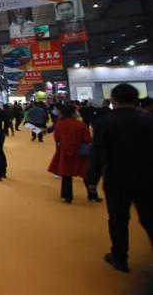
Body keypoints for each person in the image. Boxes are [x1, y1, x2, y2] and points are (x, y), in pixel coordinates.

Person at [87, 84, 153, 273]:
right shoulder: (148, 120)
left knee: (118, 220)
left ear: (113, 100)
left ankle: (119, 258)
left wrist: (92, 179)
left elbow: (98, 154)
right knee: (150, 218)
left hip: (117, 178)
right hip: (148, 177)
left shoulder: (104, 122)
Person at [48, 104, 101, 204]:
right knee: (85, 173)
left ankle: (67, 196)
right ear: (73, 113)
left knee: (66, 174)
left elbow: (57, 138)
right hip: (80, 152)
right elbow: (87, 139)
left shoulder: (59, 124)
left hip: (65, 151)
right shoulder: (81, 124)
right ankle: (93, 195)